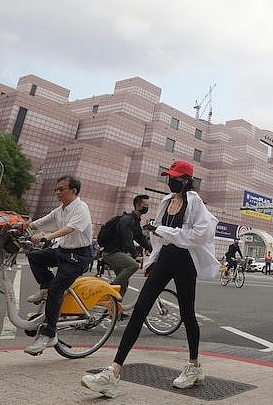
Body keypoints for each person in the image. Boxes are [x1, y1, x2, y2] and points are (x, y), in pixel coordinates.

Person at [81, 160, 220, 397]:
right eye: (169, 176)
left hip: (186, 262)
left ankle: (194, 366)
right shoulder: (166, 202)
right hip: (165, 259)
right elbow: (157, 238)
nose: (170, 180)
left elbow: (198, 236)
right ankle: (113, 373)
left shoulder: (195, 203)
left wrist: (162, 230)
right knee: (140, 310)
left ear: (186, 180)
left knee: (187, 315)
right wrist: (152, 261)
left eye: (175, 177)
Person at [24, 175, 93, 356]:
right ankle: (45, 287)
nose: (57, 192)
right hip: (63, 251)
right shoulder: (61, 209)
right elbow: (44, 220)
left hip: (78, 257)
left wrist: (47, 236)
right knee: (34, 257)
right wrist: (25, 226)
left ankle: (49, 334)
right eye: (57, 189)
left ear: (74, 191)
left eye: (61, 189)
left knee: (57, 289)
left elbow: (71, 228)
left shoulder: (81, 208)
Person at [101, 195, 154, 307]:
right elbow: (127, 239)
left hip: (118, 253)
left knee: (124, 283)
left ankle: (115, 308)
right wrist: (135, 255)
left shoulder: (135, 221)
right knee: (133, 265)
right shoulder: (127, 220)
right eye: (146, 205)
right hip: (111, 253)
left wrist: (153, 250)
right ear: (138, 205)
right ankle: (110, 288)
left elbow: (140, 238)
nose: (147, 207)